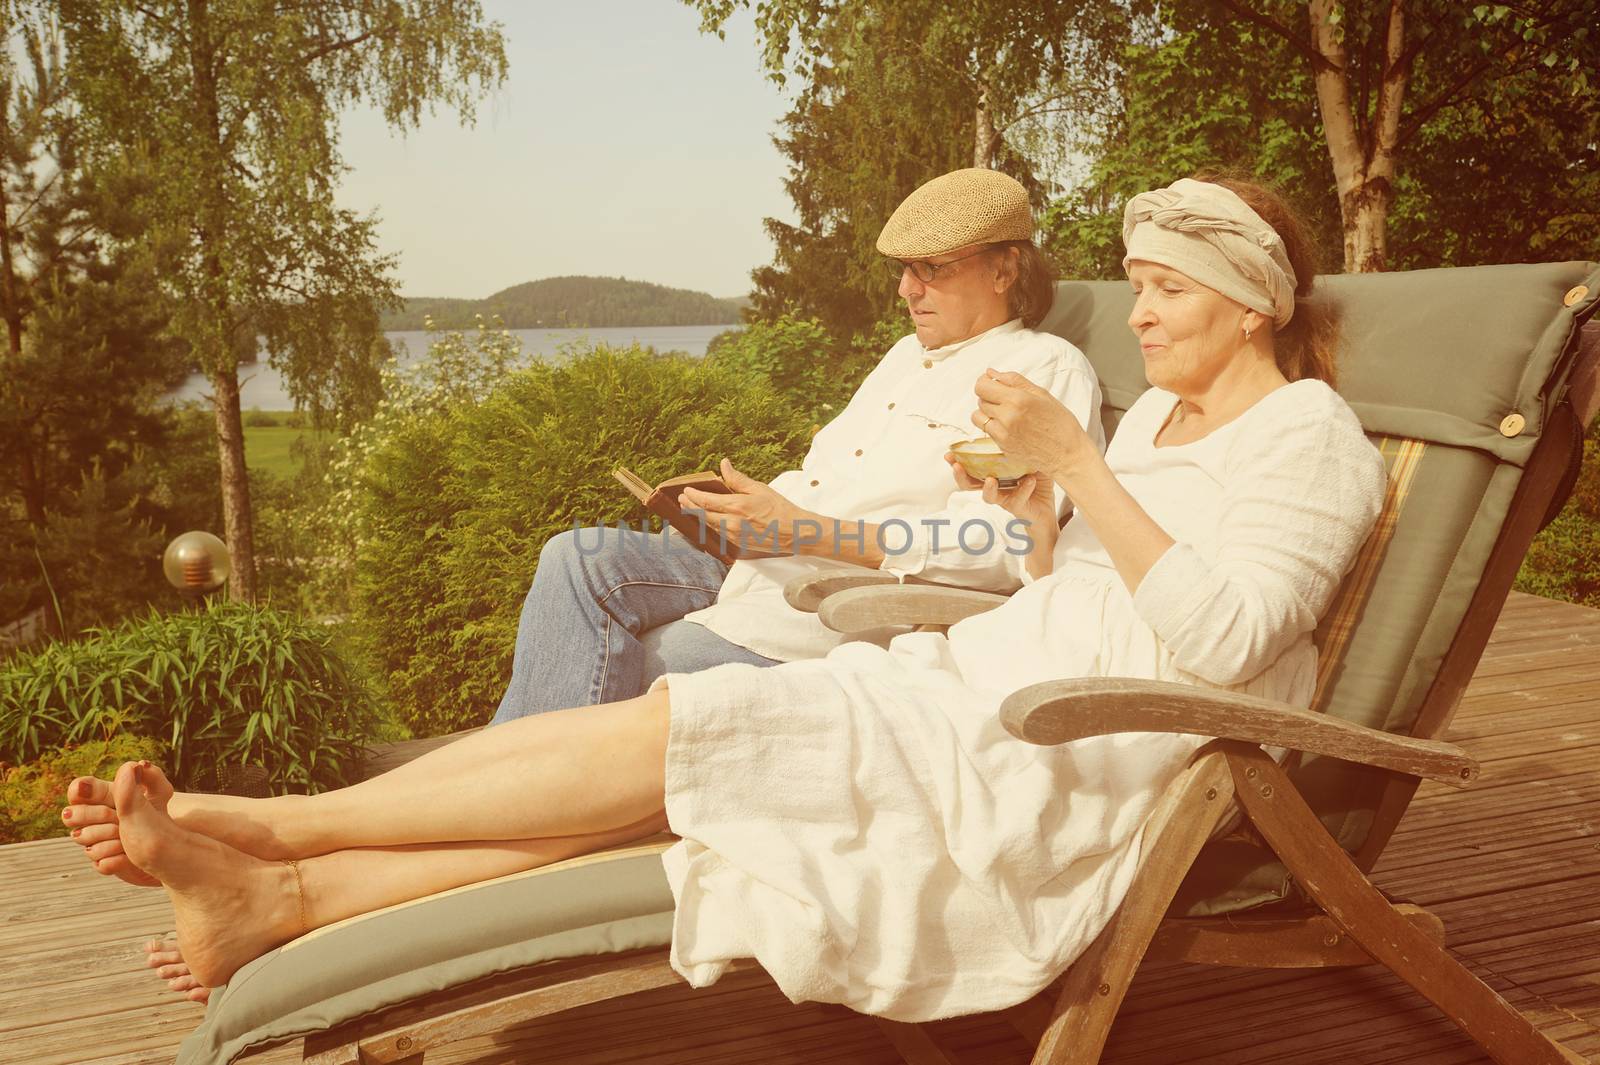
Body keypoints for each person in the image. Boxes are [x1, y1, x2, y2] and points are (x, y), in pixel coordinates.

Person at [62, 176, 1386, 1024]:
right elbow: (1068, 569)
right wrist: (1053, 512)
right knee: (670, 748)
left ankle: (276, 832)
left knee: (672, 740)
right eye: (1139, 288)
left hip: (1077, 744)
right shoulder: (1159, 416)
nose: (1142, 316)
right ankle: (288, 897)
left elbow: (1219, 643)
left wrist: (1069, 469)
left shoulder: (1306, 436)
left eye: (1163, 290)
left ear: (1248, 300)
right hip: (984, 685)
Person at [490, 166, 1104, 723]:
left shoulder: (1040, 375)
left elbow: (1003, 547)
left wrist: (804, 531)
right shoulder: (905, 357)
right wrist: (733, 509)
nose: (906, 291)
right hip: (757, 558)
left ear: (1004, 269)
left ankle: (499, 790)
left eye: (931, 269)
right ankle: (500, 782)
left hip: (844, 604)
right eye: (904, 269)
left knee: (656, 656)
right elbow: (833, 474)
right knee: (576, 554)